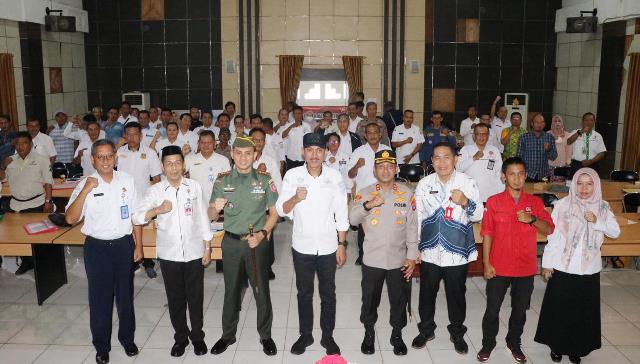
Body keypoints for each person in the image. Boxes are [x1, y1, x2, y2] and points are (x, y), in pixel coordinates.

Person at [65, 139, 143, 364]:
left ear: (116, 157)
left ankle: (127, 340)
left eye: (110, 156)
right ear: (92, 159)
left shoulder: (127, 181)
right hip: (97, 248)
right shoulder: (85, 183)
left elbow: (135, 216)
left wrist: (139, 246)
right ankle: (102, 346)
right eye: (101, 157)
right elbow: (70, 218)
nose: (106, 160)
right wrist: (87, 189)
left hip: (123, 245)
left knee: (125, 297)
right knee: (100, 299)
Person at [132, 145, 213, 358]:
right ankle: (180, 338)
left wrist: (207, 246)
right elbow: (137, 217)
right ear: (162, 166)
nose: (174, 168)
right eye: (169, 164)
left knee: (195, 298)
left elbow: (203, 218)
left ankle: (197, 337)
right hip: (170, 255)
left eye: (178, 163)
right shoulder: (155, 191)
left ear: (184, 165)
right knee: (176, 299)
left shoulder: (193, 187)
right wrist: (157, 210)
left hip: (195, 252)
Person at [534, 168, 620, 364]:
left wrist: (598, 222)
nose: (584, 188)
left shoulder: (603, 207)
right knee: (560, 309)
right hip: (564, 267)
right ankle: (557, 346)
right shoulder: (562, 205)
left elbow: (615, 232)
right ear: (573, 185)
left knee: (582, 310)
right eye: (580, 183)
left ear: (596, 185)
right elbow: (553, 237)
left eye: (589, 184)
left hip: (589, 269)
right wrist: (547, 264)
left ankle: (576, 347)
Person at [276, 133, 348, 356]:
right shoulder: (292, 175)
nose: (315, 154)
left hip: (328, 246)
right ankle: (305, 335)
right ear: (303, 152)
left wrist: (342, 244)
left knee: (328, 294)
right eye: (310, 150)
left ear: (325, 151)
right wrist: (295, 198)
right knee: (304, 293)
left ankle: (328, 336)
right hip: (302, 246)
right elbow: (281, 210)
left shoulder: (335, 176)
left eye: (319, 150)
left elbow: (341, 212)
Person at [477, 157, 554, 364]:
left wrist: (533, 220)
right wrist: (486, 263)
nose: (517, 178)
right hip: (499, 266)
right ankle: (487, 343)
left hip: (525, 267)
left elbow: (549, 229)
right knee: (492, 309)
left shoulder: (535, 203)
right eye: (512, 173)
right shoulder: (494, 202)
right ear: (504, 176)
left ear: (526, 175)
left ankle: (514, 342)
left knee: (520, 310)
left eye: (521, 173)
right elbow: (487, 234)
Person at [208, 136, 279, 356]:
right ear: (232, 154)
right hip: (230, 243)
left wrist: (263, 234)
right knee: (231, 291)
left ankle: (265, 335)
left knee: (261, 290)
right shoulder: (222, 181)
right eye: (238, 153)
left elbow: (274, 214)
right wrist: (215, 209)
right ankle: (228, 335)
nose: (243, 157)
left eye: (248, 153)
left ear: (255, 155)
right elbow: (210, 214)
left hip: (256, 243)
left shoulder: (265, 180)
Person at [412, 142, 483, 354]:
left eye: (446, 157)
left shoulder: (467, 182)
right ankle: (426, 329)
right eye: (437, 158)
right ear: (431, 161)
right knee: (427, 292)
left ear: (456, 159)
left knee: (456, 294)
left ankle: (457, 332)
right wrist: (416, 248)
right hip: (430, 251)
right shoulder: (424, 184)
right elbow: (418, 218)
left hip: (456, 252)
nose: (442, 162)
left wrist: (465, 202)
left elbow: (479, 215)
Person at [349, 150, 419, 356]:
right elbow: (352, 220)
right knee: (369, 299)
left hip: (399, 259)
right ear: (374, 170)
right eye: (381, 166)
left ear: (396, 169)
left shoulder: (406, 193)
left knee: (399, 299)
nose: (386, 170)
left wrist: (412, 256)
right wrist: (368, 205)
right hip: (372, 258)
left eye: (390, 166)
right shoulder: (365, 192)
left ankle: (396, 334)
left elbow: (413, 227)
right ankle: (368, 332)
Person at [0, 132, 54, 275]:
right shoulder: (10, 160)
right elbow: (2, 178)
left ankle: (41, 264)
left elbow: (48, 181)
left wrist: (48, 201)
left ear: (30, 144)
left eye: (24, 143)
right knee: (19, 235)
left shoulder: (42, 159)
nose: (20, 146)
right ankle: (26, 262)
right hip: (15, 205)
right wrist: (3, 166)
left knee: (37, 237)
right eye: (17, 143)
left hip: (36, 203)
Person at [116, 122, 163, 278]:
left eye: (135, 134)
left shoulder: (150, 153)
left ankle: (148, 262)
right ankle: (131, 262)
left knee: (145, 232)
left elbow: (157, 178)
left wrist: (153, 199)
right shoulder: (118, 152)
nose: (131, 137)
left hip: (144, 200)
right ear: (124, 136)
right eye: (128, 134)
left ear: (141, 136)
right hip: (123, 201)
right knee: (128, 233)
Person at [347, 123, 392, 265]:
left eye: (375, 132)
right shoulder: (358, 152)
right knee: (363, 226)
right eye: (369, 133)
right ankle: (362, 254)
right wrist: (357, 165)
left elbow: (393, 171)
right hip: (365, 195)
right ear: (365, 135)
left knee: (383, 224)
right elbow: (350, 174)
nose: (372, 135)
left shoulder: (387, 150)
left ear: (380, 134)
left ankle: (384, 253)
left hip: (384, 193)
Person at [250, 128, 282, 280]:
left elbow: (277, 185)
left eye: (261, 140)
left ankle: (267, 267)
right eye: (255, 139)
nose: (258, 142)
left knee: (267, 237)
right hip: (248, 208)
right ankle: (250, 268)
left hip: (265, 207)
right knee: (249, 237)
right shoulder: (243, 158)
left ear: (264, 142)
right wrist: (257, 173)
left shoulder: (270, 161)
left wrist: (266, 176)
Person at [456, 123, 503, 203]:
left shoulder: (495, 151)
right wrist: (473, 158)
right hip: (470, 195)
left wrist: (500, 193)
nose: (482, 137)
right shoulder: (466, 149)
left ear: (488, 136)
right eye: (478, 134)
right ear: (474, 136)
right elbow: (458, 169)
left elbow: (499, 174)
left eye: (484, 134)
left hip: (490, 195)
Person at [185, 130, 231, 201]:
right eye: (203, 143)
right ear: (198, 144)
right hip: (196, 200)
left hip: (217, 202)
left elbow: (229, 184)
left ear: (215, 143)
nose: (206, 145)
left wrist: (228, 202)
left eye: (209, 142)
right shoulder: (189, 159)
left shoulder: (223, 160)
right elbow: (178, 174)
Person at [517, 114, 557, 182]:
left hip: (544, 175)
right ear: (532, 123)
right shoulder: (524, 138)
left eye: (541, 122)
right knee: (528, 192)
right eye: (537, 122)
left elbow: (554, 157)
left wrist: (548, 150)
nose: (539, 125)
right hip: (528, 175)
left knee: (543, 193)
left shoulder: (549, 137)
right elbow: (519, 157)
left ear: (544, 124)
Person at [282, 106, 312, 170]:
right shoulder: (288, 125)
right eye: (296, 113)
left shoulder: (307, 126)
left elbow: (309, 140)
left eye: (299, 113)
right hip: (291, 156)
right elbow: (283, 136)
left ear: (302, 114)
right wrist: (291, 126)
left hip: (303, 157)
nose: (298, 115)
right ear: (293, 115)